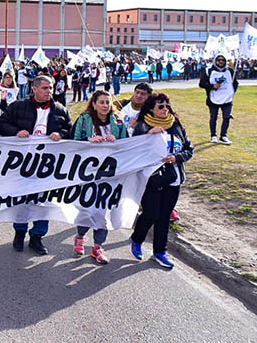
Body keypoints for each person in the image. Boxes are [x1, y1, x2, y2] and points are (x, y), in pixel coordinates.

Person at [0, 75, 72, 255]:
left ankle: (37, 236)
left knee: (43, 202)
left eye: (51, 88)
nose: (49, 92)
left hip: (47, 165)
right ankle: (20, 232)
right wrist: (16, 132)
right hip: (22, 164)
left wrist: (60, 133)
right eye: (45, 88)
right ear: (35, 89)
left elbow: (70, 130)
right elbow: (2, 123)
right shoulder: (18, 106)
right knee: (22, 200)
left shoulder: (60, 109)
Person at [130, 93, 193, 269]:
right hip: (151, 179)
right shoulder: (143, 126)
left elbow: (189, 149)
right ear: (151, 108)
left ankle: (159, 252)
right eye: (160, 106)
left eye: (167, 105)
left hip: (173, 179)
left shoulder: (176, 125)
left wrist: (177, 157)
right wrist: (149, 135)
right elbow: (134, 150)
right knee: (151, 213)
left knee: (164, 217)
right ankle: (137, 239)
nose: (165, 109)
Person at [70, 90, 128, 265]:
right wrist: (89, 140)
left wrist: (116, 140)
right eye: (101, 102)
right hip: (88, 172)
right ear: (94, 104)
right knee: (88, 209)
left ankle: (98, 246)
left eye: (107, 102)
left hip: (110, 174)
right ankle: (79, 236)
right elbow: (73, 142)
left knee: (103, 212)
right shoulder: (84, 120)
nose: (105, 105)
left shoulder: (117, 121)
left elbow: (127, 143)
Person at [200, 54, 238, 145]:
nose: (221, 62)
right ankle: (213, 135)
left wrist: (231, 93)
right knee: (214, 117)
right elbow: (201, 84)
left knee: (226, 117)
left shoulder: (230, 71)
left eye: (223, 60)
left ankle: (223, 136)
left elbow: (235, 83)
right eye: (219, 60)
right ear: (215, 61)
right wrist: (213, 86)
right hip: (213, 99)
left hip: (227, 100)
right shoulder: (209, 71)